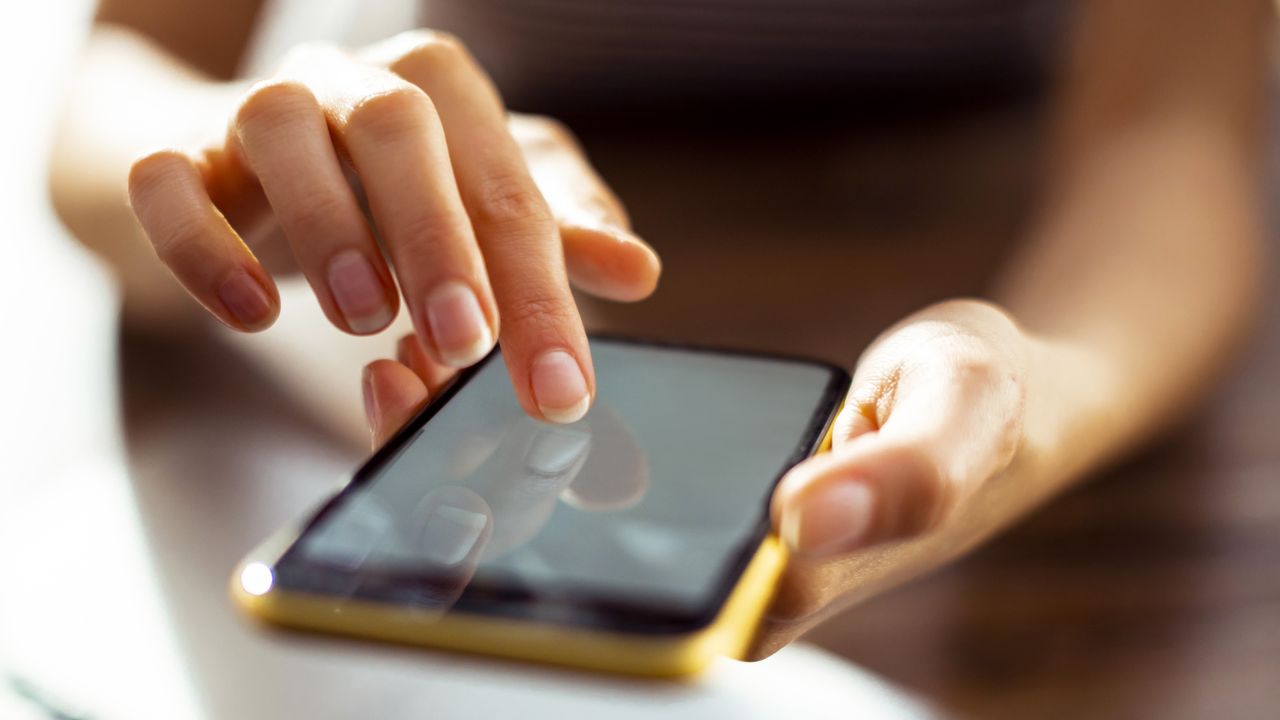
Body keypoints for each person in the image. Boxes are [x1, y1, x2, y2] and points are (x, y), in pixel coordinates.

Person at [50, 0, 1271, 657]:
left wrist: (1024, 397)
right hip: (493, 179)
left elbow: (1167, 138)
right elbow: (118, 80)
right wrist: (228, 157)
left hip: (985, 198)